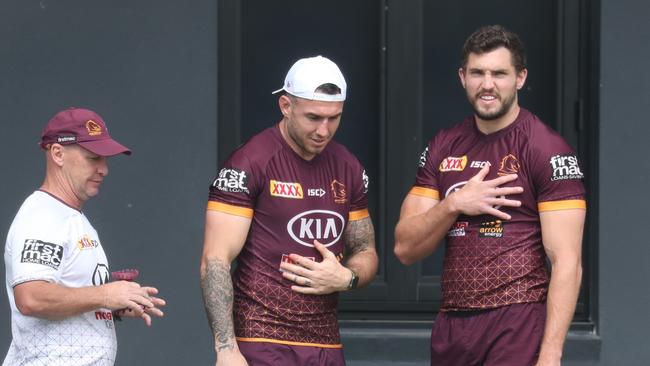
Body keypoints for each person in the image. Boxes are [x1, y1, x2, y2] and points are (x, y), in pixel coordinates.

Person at [394, 25, 586, 366]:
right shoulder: (442, 145)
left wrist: (551, 353)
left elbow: (567, 262)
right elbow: (405, 248)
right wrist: (454, 203)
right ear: (462, 77)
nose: (487, 85)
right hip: (453, 324)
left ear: (521, 78)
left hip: (516, 322)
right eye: (478, 73)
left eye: (499, 73)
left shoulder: (547, 149)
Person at [201, 55, 378, 366]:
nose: (324, 130)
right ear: (286, 106)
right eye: (313, 117)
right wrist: (226, 348)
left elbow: (365, 249)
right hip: (261, 338)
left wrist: (347, 277)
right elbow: (215, 259)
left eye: (334, 118)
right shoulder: (250, 162)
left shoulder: (349, 166)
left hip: (325, 342)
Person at [3, 107, 166, 366]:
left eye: (106, 160)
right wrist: (105, 295)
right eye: (93, 158)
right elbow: (31, 297)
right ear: (58, 153)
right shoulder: (42, 215)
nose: (104, 170)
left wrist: (114, 303)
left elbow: (68, 296)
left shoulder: (70, 216)